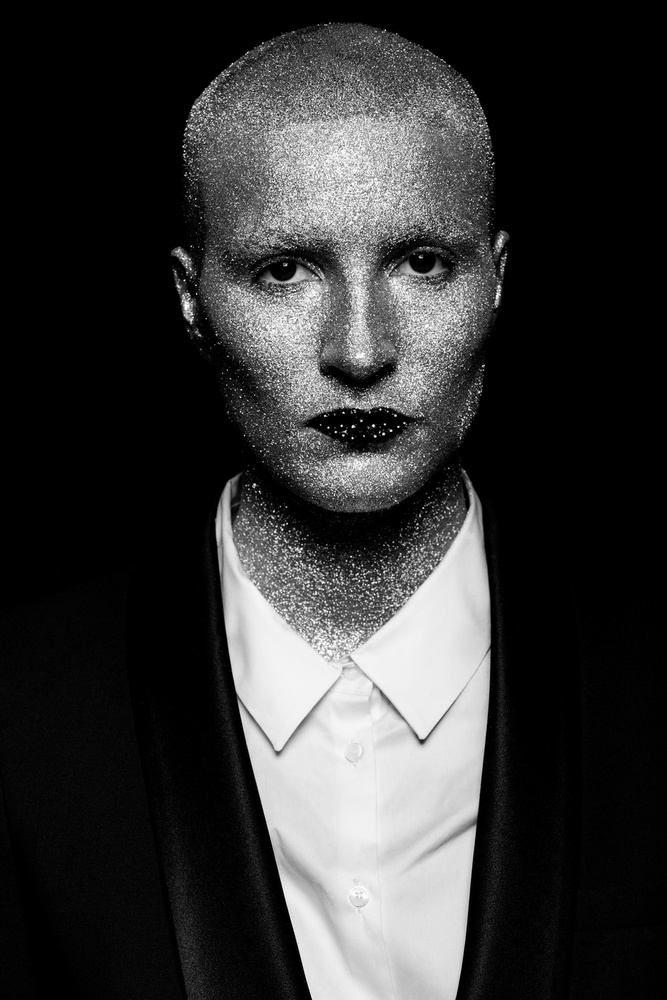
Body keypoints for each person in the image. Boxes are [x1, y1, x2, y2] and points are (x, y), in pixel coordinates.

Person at [1, 23, 663, 1000]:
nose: (359, 350)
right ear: (189, 297)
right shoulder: (21, 705)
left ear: (497, 279)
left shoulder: (653, 679)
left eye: (422, 263)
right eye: (285, 271)